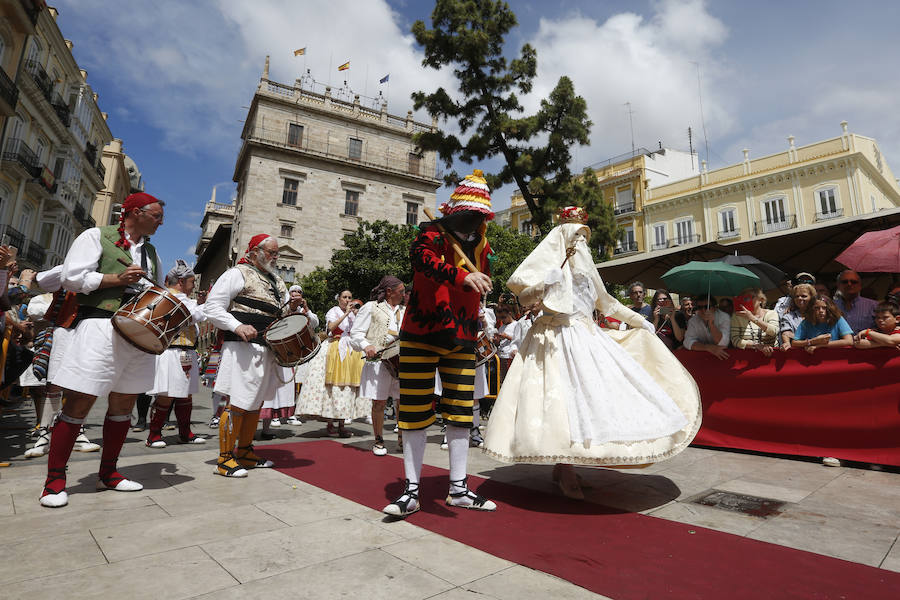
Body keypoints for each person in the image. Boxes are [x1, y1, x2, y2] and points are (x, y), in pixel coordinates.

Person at [483, 207, 702, 500]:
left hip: (586, 337)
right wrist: (544, 283)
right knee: (559, 406)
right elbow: (524, 298)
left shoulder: (587, 272)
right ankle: (565, 468)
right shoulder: (551, 264)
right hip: (553, 338)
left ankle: (566, 466)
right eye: (576, 236)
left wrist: (641, 321)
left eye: (584, 238)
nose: (581, 243)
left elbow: (607, 304)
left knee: (588, 401)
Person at [39, 192, 164, 508]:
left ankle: (108, 473)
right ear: (135, 212)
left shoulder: (151, 252)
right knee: (79, 402)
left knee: (124, 403)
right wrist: (114, 278)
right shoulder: (96, 236)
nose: (161, 221)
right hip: (100, 326)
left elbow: (156, 292)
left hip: (137, 335)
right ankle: (54, 482)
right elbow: (70, 278)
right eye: (156, 215)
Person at [384, 169, 497, 517]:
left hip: (461, 338)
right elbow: (424, 264)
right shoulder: (430, 233)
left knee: (461, 413)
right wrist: (464, 277)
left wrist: (481, 290)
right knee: (414, 413)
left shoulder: (483, 244)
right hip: (421, 334)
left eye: (481, 216)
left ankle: (459, 489)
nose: (476, 220)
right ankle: (412, 490)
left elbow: (483, 277)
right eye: (472, 214)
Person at [204, 234, 291, 478]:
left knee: (255, 404)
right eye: (271, 253)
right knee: (238, 403)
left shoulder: (277, 281)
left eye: (277, 254)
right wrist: (236, 326)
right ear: (255, 252)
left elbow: (281, 314)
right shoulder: (237, 273)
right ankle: (224, 459)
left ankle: (244, 452)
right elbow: (213, 307)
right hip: (242, 348)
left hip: (266, 348)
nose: (275, 257)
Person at [145, 261, 208, 449]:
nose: (194, 286)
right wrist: (212, 303)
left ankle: (185, 433)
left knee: (185, 395)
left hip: (186, 351)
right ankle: (153, 434)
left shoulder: (183, 299)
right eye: (191, 281)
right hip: (170, 351)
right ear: (181, 281)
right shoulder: (168, 298)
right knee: (166, 395)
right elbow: (193, 315)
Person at [295, 291, 367, 436]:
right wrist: (346, 314)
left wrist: (357, 315)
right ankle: (329, 423)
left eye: (349, 297)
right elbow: (331, 328)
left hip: (350, 350)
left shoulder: (355, 314)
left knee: (347, 387)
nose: (347, 300)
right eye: (344, 297)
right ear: (339, 299)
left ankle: (341, 424)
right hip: (335, 346)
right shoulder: (333, 311)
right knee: (331, 385)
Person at [350, 276, 404, 456]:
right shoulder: (371, 307)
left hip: (401, 361)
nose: (404, 294)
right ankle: (379, 439)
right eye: (401, 291)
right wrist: (367, 346)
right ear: (389, 292)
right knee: (379, 402)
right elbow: (356, 333)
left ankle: (402, 438)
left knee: (402, 401)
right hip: (379, 362)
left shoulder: (405, 310)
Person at [258, 284, 314, 439]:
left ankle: (267, 427)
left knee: (278, 389)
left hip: (287, 355)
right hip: (270, 350)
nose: (296, 294)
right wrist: (290, 307)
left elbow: (314, 323)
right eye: (293, 292)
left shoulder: (303, 312)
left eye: (299, 292)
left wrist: (305, 309)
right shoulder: (280, 306)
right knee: (264, 389)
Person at [730, 287, 778, 356]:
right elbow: (735, 340)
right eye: (744, 298)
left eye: (750, 297)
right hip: (747, 357)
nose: (747, 300)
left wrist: (752, 318)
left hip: (771, 356)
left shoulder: (771, 313)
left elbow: (774, 332)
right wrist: (755, 345)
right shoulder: (737, 316)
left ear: (761, 300)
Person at [833, 270, 877, 334]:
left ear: (860, 285)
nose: (849, 284)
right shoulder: (831, 306)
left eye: (854, 282)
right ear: (838, 285)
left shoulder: (874, 305)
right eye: (845, 282)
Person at [778, 283, 815, 351]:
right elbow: (786, 332)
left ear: (811, 297)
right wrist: (787, 342)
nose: (799, 298)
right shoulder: (788, 316)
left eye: (804, 296)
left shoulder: (818, 314)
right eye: (796, 296)